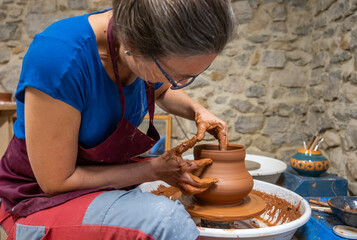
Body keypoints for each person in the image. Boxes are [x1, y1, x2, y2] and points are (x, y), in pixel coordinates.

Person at [0, 0, 235, 239]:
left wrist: (197, 110)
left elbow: (161, 89)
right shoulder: (58, 59)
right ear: (133, 46)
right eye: (176, 75)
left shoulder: (137, 50)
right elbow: (57, 182)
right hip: (36, 200)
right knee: (167, 220)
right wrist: (153, 170)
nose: (179, 84)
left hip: (98, 182)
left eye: (192, 76)